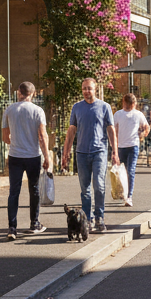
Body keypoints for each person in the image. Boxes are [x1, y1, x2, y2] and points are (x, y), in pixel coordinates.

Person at [62, 78, 119, 233]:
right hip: (81, 152)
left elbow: (111, 130)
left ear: (95, 90)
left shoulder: (104, 107)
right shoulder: (77, 107)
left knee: (99, 186)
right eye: (84, 89)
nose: (87, 91)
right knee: (85, 189)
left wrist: (115, 152)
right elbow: (71, 131)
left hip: (99, 151)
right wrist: (66, 153)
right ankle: (88, 218)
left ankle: (100, 216)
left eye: (89, 88)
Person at [1, 81, 50, 240]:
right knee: (34, 189)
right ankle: (34, 223)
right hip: (32, 156)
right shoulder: (38, 111)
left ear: (18, 92)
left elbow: (5, 138)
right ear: (33, 93)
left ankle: (12, 228)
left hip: (15, 155)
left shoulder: (9, 110)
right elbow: (42, 136)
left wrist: (16, 140)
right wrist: (46, 156)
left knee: (13, 192)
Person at [113, 93, 149, 207]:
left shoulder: (138, 114)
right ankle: (122, 193)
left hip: (133, 145)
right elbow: (114, 130)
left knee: (131, 171)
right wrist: (114, 148)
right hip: (121, 146)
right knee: (119, 172)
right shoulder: (118, 114)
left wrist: (143, 134)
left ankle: (129, 196)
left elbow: (146, 127)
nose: (131, 106)